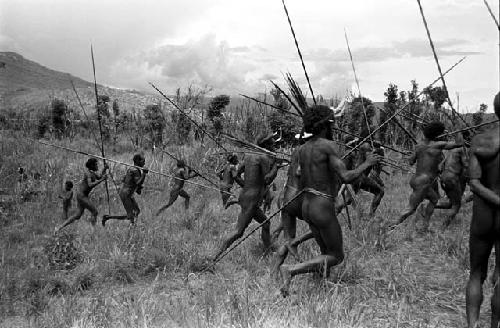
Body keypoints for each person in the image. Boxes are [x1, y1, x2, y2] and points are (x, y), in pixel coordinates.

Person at [278, 105, 380, 297]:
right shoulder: (328, 146)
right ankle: (291, 270)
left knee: (325, 249)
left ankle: (321, 284)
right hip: (321, 205)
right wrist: (367, 163)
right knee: (336, 255)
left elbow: (301, 176)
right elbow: (346, 176)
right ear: (327, 124)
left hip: (306, 205)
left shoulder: (301, 149)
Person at [211, 132, 279, 260]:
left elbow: (236, 174)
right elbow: (267, 179)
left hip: (247, 196)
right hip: (251, 200)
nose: (274, 144)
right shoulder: (263, 157)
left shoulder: (248, 156)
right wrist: (275, 165)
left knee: (266, 223)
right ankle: (213, 258)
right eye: (272, 142)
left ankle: (268, 251)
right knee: (238, 232)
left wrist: (247, 187)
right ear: (266, 145)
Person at [465, 93, 499, 328]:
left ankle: (472, 325)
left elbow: (474, 183)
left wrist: (496, 199)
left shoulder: (480, 140)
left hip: (483, 214)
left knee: (476, 273)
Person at [391, 121, 463, 232]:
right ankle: (389, 227)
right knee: (410, 209)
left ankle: (425, 226)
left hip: (416, 179)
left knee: (434, 199)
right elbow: (459, 143)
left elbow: (410, 161)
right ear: (437, 134)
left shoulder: (418, 145)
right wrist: (457, 128)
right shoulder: (438, 145)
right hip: (423, 182)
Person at [335, 136, 385, 217]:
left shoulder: (359, 148)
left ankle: (335, 211)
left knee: (348, 200)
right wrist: (379, 151)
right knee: (380, 191)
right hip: (359, 177)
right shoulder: (365, 146)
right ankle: (371, 216)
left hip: (358, 177)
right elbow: (370, 156)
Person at [55, 158, 108, 233]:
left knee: (78, 215)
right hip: (81, 195)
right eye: (96, 164)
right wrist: (102, 180)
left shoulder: (92, 173)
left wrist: (104, 169)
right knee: (95, 212)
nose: (97, 166)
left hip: (82, 195)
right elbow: (90, 185)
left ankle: (59, 228)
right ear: (92, 165)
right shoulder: (88, 173)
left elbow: (99, 176)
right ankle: (93, 231)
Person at [435, 133, 470, 227]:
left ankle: (429, 206)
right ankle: (443, 227)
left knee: (451, 203)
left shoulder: (451, 150)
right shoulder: (462, 150)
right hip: (451, 179)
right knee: (456, 206)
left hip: (444, 178)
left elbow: (440, 167)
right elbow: (466, 166)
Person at [102, 154, 148, 226]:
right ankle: (108, 218)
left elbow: (126, 180)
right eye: (143, 161)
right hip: (125, 194)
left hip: (128, 193)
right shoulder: (135, 170)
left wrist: (137, 188)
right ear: (137, 161)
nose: (144, 163)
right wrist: (144, 174)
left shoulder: (132, 169)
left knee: (137, 211)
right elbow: (138, 182)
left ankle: (132, 225)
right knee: (130, 216)